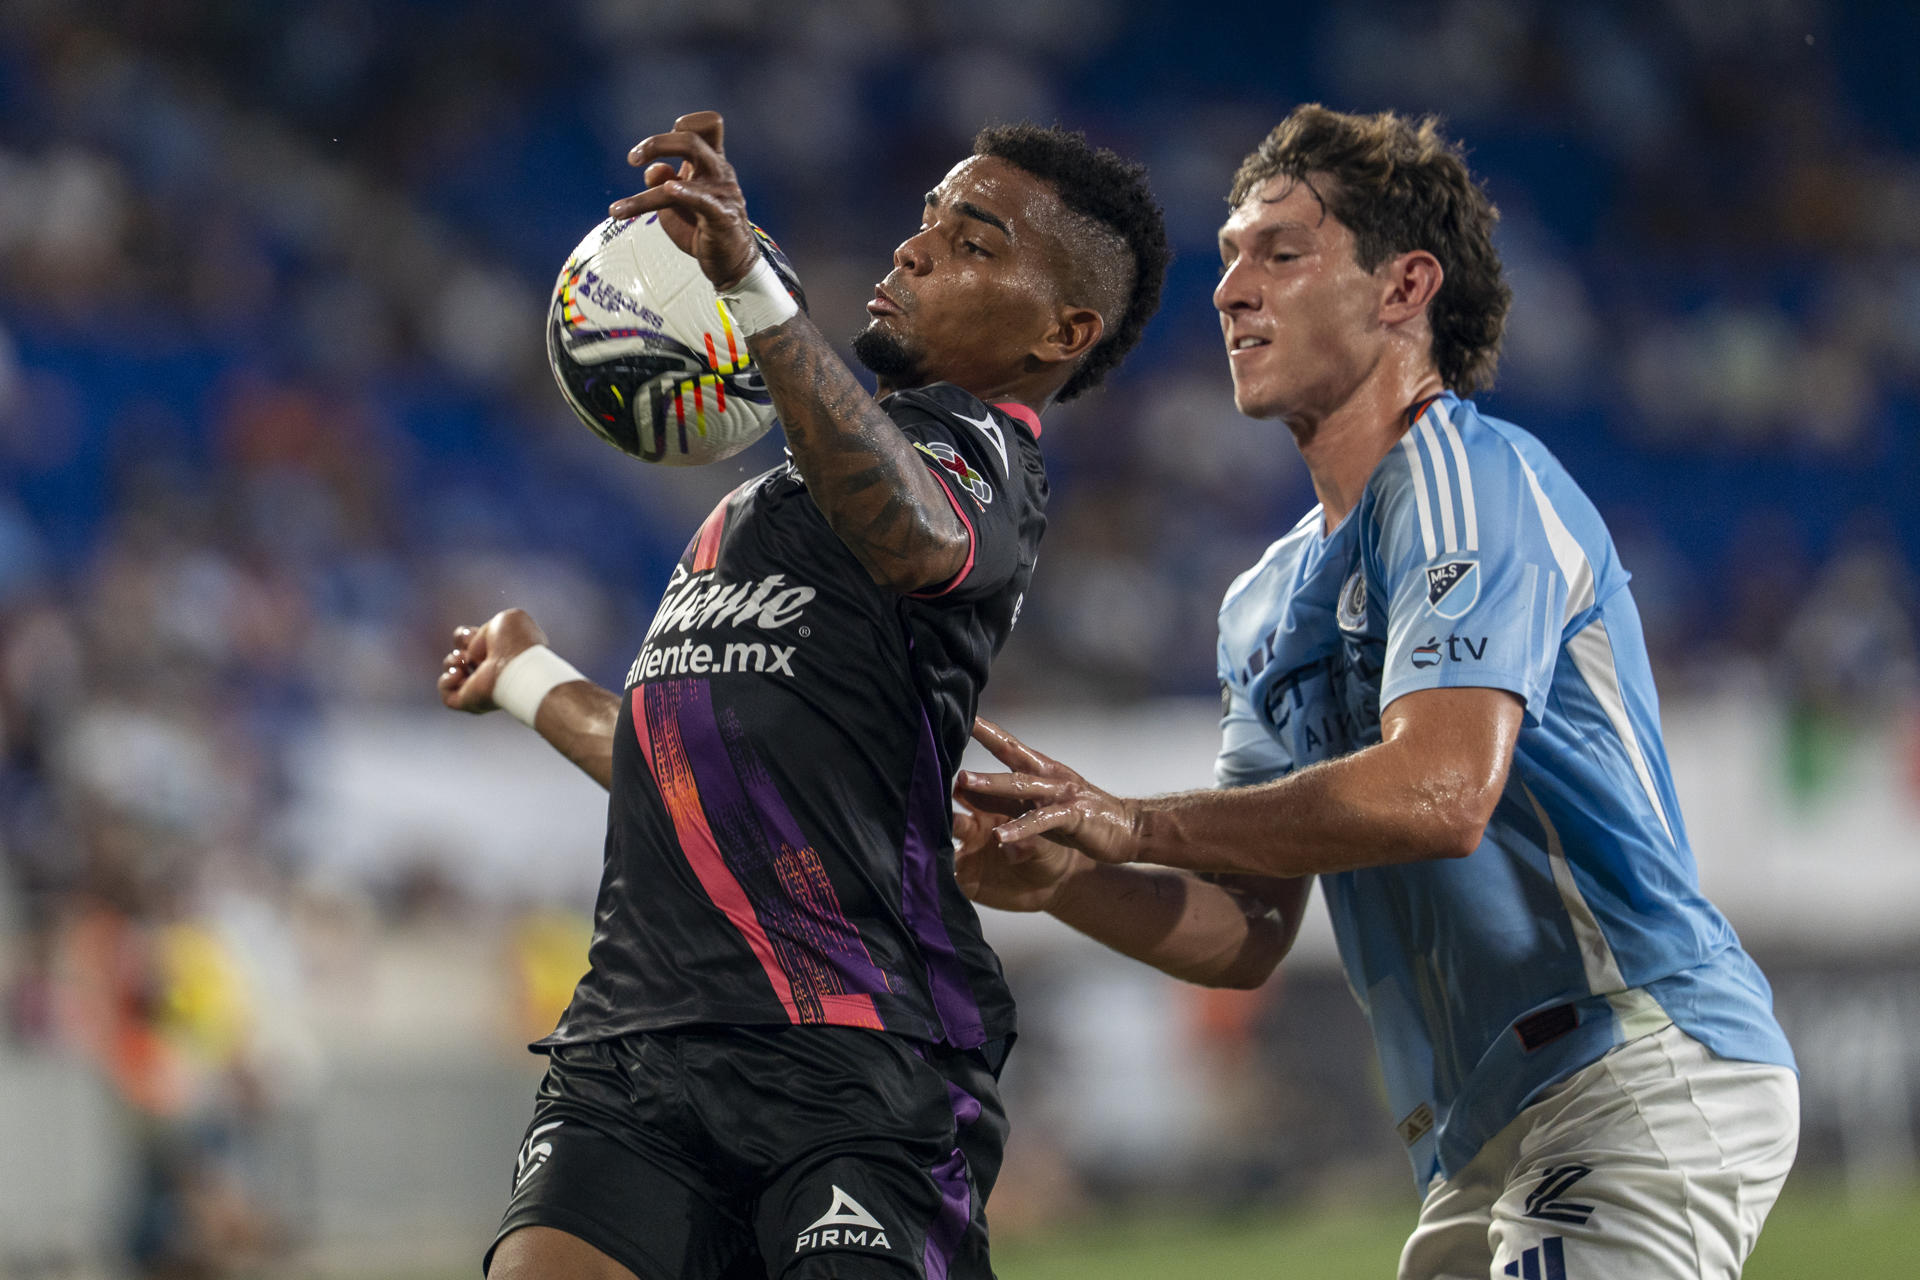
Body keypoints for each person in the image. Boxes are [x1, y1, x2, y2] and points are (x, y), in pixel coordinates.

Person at [954, 104, 1797, 1280]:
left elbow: (1441, 790)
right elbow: (1248, 929)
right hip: (1481, 1137)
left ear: (1405, 286)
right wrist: (1068, 875)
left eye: (1280, 252)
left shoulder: (1468, 477)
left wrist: (1131, 820)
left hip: (1633, 1066)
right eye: (1230, 255)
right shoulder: (1262, 601)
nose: (1229, 289)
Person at [437, 110, 1168, 1280]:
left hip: (853, 1043)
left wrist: (753, 287)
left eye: (972, 243)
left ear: (1061, 331)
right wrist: (528, 678)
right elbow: (686, 765)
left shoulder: (979, 458)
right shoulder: (759, 508)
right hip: (638, 1037)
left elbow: (918, 534)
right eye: (926, 220)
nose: (914, 250)